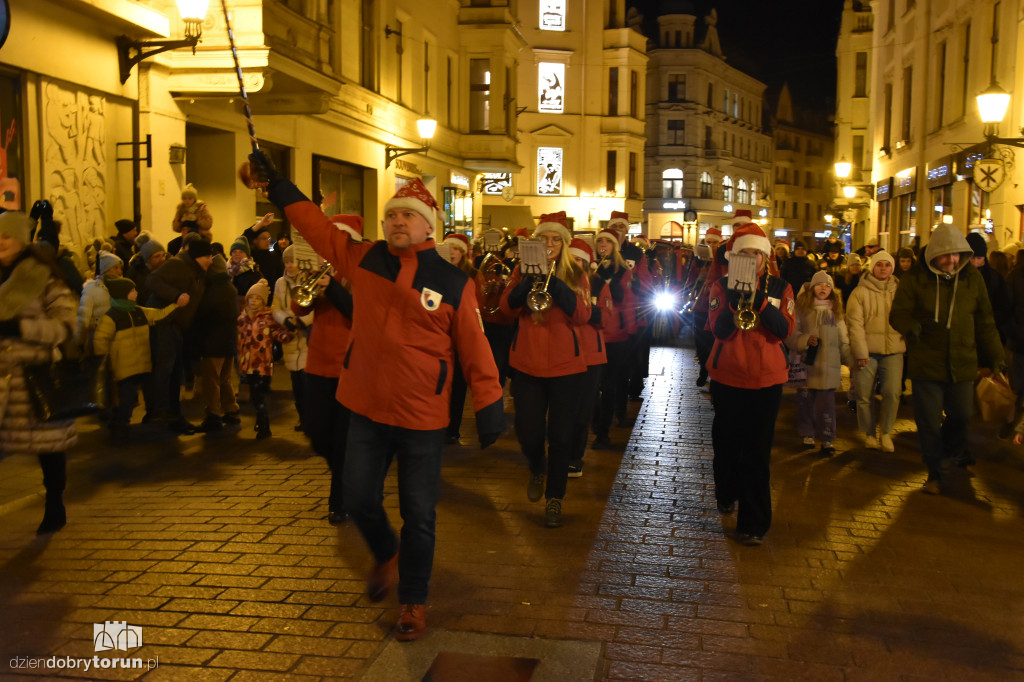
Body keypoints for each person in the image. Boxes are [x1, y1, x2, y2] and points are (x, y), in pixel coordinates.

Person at [246, 153, 504, 642]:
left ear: (427, 225)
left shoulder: (452, 281)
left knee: (420, 514)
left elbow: (474, 344)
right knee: (358, 497)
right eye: (391, 215)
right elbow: (317, 227)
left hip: (422, 415)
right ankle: (386, 551)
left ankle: (413, 601)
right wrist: (277, 185)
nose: (396, 221)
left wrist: (489, 403)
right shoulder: (364, 257)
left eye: (406, 215)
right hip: (364, 404)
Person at [889, 223, 1004, 494]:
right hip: (926, 361)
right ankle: (934, 471)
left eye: (956, 254)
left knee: (962, 415)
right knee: (928, 421)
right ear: (934, 254)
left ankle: (949, 450)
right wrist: (910, 326)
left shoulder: (971, 278)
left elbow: (985, 320)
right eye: (946, 255)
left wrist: (997, 356)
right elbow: (898, 312)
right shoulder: (916, 278)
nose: (952, 260)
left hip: (962, 361)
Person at [499, 211, 591, 527]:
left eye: (555, 239)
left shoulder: (577, 272)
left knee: (562, 436)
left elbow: (581, 315)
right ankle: (537, 466)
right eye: (543, 239)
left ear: (564, 244)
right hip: (527, 365)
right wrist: (527, 280)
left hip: (568, 368)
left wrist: (556, 281)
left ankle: (555, 498)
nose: (549, 244)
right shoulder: (520, 270)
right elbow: (506, 308)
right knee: (529, 432)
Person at [706, 223, 795, 546]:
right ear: (734, 256)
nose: (752, 258)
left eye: (757, 253)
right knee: (727, 444)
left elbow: (782, 330)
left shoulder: (781, 287)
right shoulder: (720, 286)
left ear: (765, 257)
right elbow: (720, 330)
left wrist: (759, 301)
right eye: (745, 253)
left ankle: (754, 523)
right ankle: (726, 490)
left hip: (766, 379)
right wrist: (733, 299)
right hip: (728, 376)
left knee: (757, 452)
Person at [0, 211, 78, 534]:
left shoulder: (43, 276)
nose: (0, 244)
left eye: (5, 237)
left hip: (33, 375)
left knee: (48, 444)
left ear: (20, 240)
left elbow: (66, 326)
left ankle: (54, 502)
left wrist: (21, 327)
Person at [294, 214, 361, 524]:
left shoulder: (361, 272)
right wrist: (302, 280)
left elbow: (355, 310)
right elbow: (299, 307)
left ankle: (341, 499)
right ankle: (352, 479)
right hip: (319, 363)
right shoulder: (323, 269)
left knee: (343, 437)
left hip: (351, 366)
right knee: (318, 434)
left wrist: (330, 285)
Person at [92, 277, 186, 444]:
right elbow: (100, 340)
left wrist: (177, 305)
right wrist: (104, 365)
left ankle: (144, 417)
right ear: (123, 294)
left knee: (142, 394)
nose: (136, 293)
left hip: (142, 364)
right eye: (132, 290)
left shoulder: (138, 311)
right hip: (123, 367)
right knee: (126, 399)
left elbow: (159, 315)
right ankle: (120, 427)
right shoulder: (112, 317)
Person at [145, 237, 214, 433]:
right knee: (167, 367)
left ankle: (173, 415)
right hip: (163, 322)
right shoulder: (178, 265)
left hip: (177, 326)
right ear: (198, 256)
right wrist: (175, 296)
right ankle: (159, 411)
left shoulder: (198, 271)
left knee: (176, 371)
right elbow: (152, 280)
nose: (211, 260)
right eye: (208, 256)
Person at [846, 251, 904, 452]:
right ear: (873, 268)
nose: (883, 268)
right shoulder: (859, 293)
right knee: (863, 394)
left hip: (894, 349)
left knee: (893, 392)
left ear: (892, 268)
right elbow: (855, 324)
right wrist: (861, 352)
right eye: (879, 265)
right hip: (867, 351)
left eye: (887, 265)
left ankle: (886, 432)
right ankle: (869, 433)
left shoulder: (900, 291)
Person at [787, 271, 850, 456]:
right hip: (807, 364)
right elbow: (793, 333)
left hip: (829, 368)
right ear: (812, 287)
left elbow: (843, 339)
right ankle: (807, 434)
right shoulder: (803, 309)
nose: (823, 288)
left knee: (826, 405)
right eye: (820, 284)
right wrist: (805, 340)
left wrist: (851, 358)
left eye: (827, 285)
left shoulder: (835, 312)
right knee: (806, 402)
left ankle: (827, 437)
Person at [591, 223, 635, 447]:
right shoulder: (590, 268)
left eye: (607, 241)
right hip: (595, 333)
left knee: (608, 385)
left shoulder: (623, 270)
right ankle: (597, 422)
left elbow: (620, 298)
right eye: (600, 241)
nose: (603, 245)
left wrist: (607, 278)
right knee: (593, 385)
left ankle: (603, 432)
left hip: (615, 334)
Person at [566, 237, 605, 477]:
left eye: (580, 259)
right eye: (572, 259)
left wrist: (587, 310)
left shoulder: (598, 283)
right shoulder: (558, 281)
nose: (576, 264)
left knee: (582, 410)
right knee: (565, 409)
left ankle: (575, 457)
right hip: (566, 351)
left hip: (591, 354)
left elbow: (607, 317)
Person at [238, 278, 292, 439]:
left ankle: (264, 426)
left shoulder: (267, 317)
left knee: (259, 394)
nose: (253, 302)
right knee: (255, 396)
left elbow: (276, 332)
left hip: (262, 363)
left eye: (257, 299)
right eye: (251, 298)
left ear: (263, 301)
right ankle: (260, 420)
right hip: (247, 363)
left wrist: (286, 335)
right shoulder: (242, 318)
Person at [194, 255, 241, 433]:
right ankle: (231, 408)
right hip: (228, 340)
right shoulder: (230, 288)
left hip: (213, 341)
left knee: (211, 379)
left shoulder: (212, 290)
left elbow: (203, 315)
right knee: (225, 378)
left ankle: (213, 413)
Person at [442, 232, 478, 443]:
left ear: (463, 254)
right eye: (449, 249)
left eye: (456, 249)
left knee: (457, 386)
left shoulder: (470, 274)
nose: (452, 253)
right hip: (441, 337)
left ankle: (452, 428)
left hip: (459, 338)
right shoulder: (435, 273)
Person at [272, 245, 312, 431]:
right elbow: (276, 307)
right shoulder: (280, 283)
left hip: (305, 336)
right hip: (290, 337)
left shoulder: (310, 280)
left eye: (293, 261)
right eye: (287, 261)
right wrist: (285, 320)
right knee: (296, 383)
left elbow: (316, 308)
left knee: (307, 381)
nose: (290, 265)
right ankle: (303, 417)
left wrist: (302, 321)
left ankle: (311, 419)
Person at [77, 250, 123, 350]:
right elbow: (83, 319)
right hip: (97, 340)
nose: (120, 272)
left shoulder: (121, 289)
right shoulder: (92, 289)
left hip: (117, 342)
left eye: (120, 268)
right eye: (115, 268)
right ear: (105, 269)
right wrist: (79, 342)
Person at [126, 238, 167, 305]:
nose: (162, 259)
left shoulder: (164, 270)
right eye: (157, 256)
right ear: (147, 259)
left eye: (163, 255)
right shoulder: (135, 275)